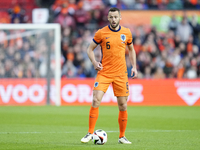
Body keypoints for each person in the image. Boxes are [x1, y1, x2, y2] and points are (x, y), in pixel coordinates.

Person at [80, 7, 137, 144]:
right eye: (111, 17)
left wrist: (134, 66)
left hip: (121, 74)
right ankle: (89, 133)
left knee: (123, 105)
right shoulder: (101, 33)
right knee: (95, 100)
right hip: (104, 72)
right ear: (107, 18)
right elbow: (89, 49)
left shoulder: (126, 33)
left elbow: (131, 49)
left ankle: (122, 136)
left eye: (116, 17)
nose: (113, 19)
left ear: (120, 17)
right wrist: (94, 62)